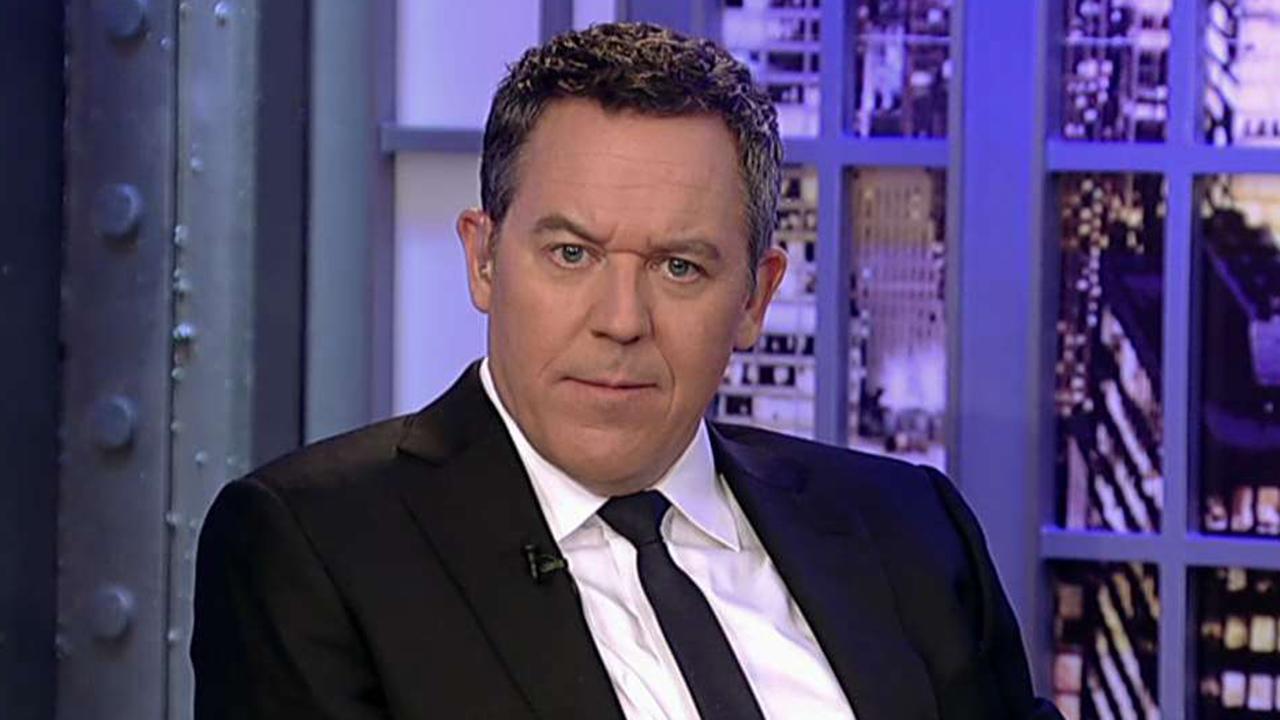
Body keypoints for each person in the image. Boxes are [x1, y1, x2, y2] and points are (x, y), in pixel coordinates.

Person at [191, 22, 1063, 720]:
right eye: (571, 254)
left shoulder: (909, 529)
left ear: (755, 298)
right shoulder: (316, 546)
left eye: (680, 267)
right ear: (484, 260)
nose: (620, 320)